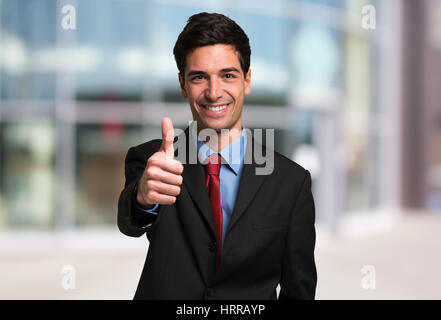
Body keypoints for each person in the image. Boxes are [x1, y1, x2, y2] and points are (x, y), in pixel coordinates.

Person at [117, 12, 317, 300]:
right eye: (199, 77)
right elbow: (130, 222)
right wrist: (143, 198)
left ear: (246, 80)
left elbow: (299, 290)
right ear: (183, 84)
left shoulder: (290, 182)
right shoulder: (154, 161)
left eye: (228, 75)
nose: (214, 92)